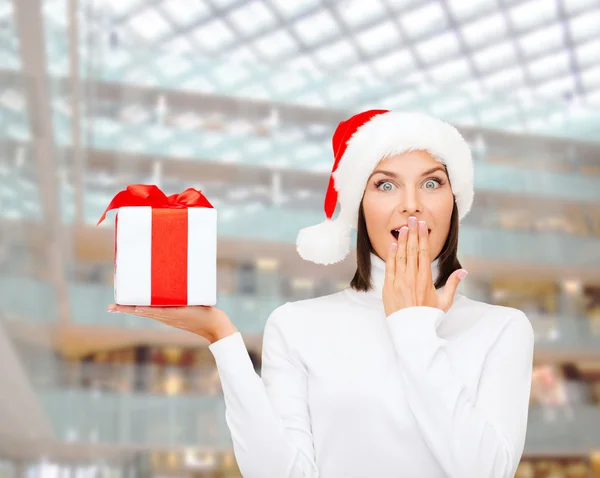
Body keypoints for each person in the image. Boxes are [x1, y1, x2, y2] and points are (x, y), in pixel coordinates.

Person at [108, 110, 535, 478]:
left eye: (432, 183)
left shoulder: (502, 328)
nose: (411, 204)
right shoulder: (297, 325)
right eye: (385, 185)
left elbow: (487, 471)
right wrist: (222, 338)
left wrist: (415, 328)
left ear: (455, 200)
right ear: (359, 207)